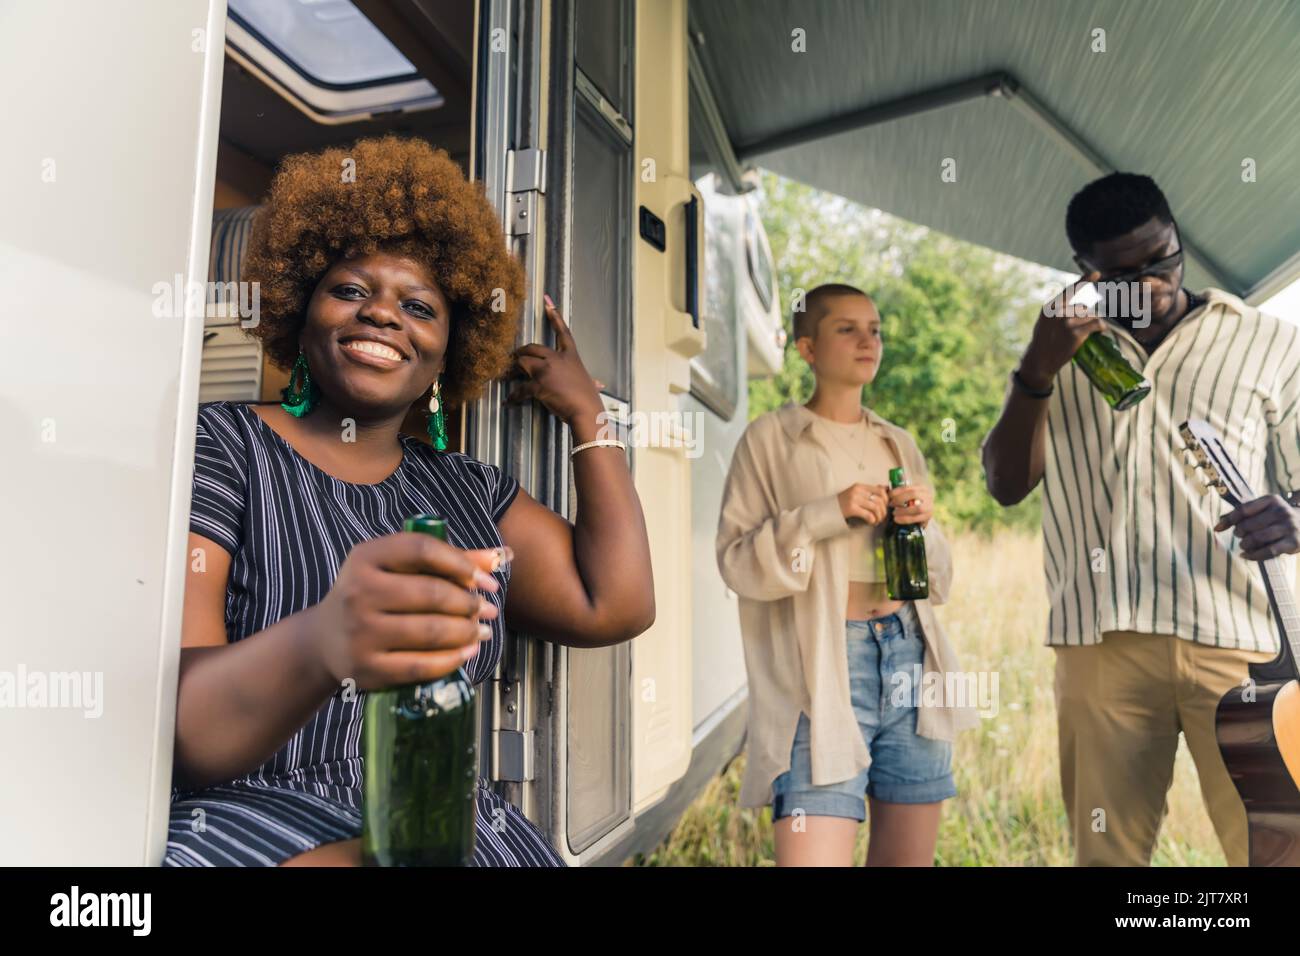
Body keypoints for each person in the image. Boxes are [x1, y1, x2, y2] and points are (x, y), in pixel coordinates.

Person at [165, 135, 654, 867]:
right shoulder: (223, 445)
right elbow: (188, 733)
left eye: (418, 305)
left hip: (446, 825)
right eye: (351, 290)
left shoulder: (467, 489)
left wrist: (592, 418)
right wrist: (328, 639)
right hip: (254, 821)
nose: (383, 314)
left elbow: (615, 604)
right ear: (301, 312)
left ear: (449, 350)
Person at [982, 171, 1300, 866]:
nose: (1153, 284)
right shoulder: (1055, 348)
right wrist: (1036, 368)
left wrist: (1293, 516)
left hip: (1245, 642)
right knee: (1108, 858)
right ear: (1085, 272)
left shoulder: (1273, 343)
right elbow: (1006, 485)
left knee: (1277, 852)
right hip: (1101, 644)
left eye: (1162, 258)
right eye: (1125, 273)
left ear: (1176, 236)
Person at [716, 283, 979, 867]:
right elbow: (736, 560)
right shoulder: (771, 439)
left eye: (876, 329)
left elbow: (939, 581)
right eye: (848, 328)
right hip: (825, 665)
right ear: (807, 349)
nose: (869, 341)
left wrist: (926, 524)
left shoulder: (898, 441)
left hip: (912, 655)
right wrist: (824, 513)